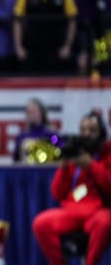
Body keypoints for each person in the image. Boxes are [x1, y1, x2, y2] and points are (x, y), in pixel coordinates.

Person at [33, 112, 111, 265]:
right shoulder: (74, 150)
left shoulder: (107, 153)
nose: (87, 134)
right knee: (41, 223)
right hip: (72, 210)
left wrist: (91, 166)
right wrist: (63, 168)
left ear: (101, 133)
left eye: (92, 130)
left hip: (97, 211)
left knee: (105, 222)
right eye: (83, 130)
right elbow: (57, 193)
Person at [13, 98, 56, 162]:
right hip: (27, 170)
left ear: (41, 112)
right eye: (28, 112)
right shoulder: (21, 136)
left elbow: (59, 150)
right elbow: (16, 160)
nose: (31, 114)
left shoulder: (51, 134)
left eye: (33, 111)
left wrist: (39, 144)